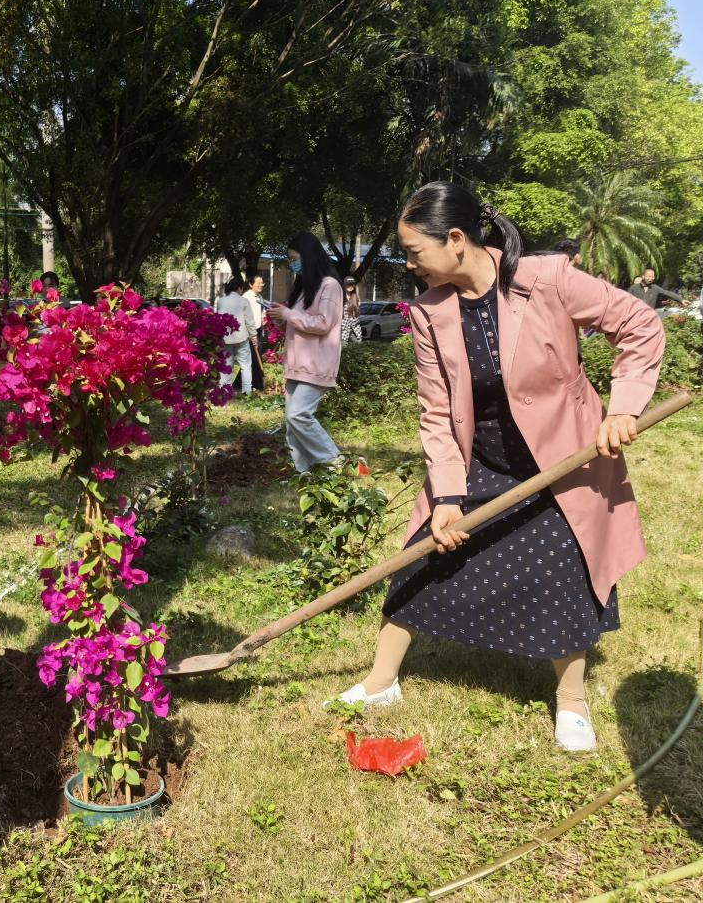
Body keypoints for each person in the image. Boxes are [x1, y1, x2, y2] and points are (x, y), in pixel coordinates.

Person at [330, 181, 663, 753]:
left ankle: (572, 700)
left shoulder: (548, 279)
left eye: (414, 251)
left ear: (456, 239)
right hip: (479, 456)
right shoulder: (429, 312)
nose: (409, 264)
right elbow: (437, 411)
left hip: (561, 458)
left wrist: (624, 407)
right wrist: (447, 497)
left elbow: (640, 325)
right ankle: (382, 682)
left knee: (563, 569)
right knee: (424, 557)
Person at [268, 234, 343, 472]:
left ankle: (334, 461)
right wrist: (281, 318)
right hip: (297, 365)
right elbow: (299, 324)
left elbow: (323, 323)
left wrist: (289, 314)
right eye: (290, 259)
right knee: (292, 424)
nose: (293, 264)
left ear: (309, 257)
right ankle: (302, 473)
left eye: (295, 258)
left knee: (298, 415)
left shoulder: (330, 286)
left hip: (317, 364)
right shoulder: (304, 288)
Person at [215, 277, 256, 395]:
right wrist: (253, 336)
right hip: (241, 337)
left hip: (225, 338)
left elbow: (218, 318)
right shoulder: (244, 301)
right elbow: (249, 321)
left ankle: (224, 390)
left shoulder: (221, 301)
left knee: (226, 365)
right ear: (239, 288)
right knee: (245, 366)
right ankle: (247, 391)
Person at [243, 275, 267, 390]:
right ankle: (253, 383)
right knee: (252, 356)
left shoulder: (259, 296)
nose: (261, 285)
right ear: (251, 284)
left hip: (259, 329)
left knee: (257, 355)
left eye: (262, 283)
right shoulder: (246, 297)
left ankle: (256, 382)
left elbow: (261, 312)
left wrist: (264, 319)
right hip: (250, 330)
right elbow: (244, 316)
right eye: (258, 283)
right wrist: (250, 333)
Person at [341, 276, 362, 343]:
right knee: (343, 346)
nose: (350, 286)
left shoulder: (356, 298)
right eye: (348, 284)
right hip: (343, 329)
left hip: (355, 329)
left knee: (358, 345)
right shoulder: (340, 297)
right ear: (344, 285)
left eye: (352, 284)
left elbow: (357, 313)